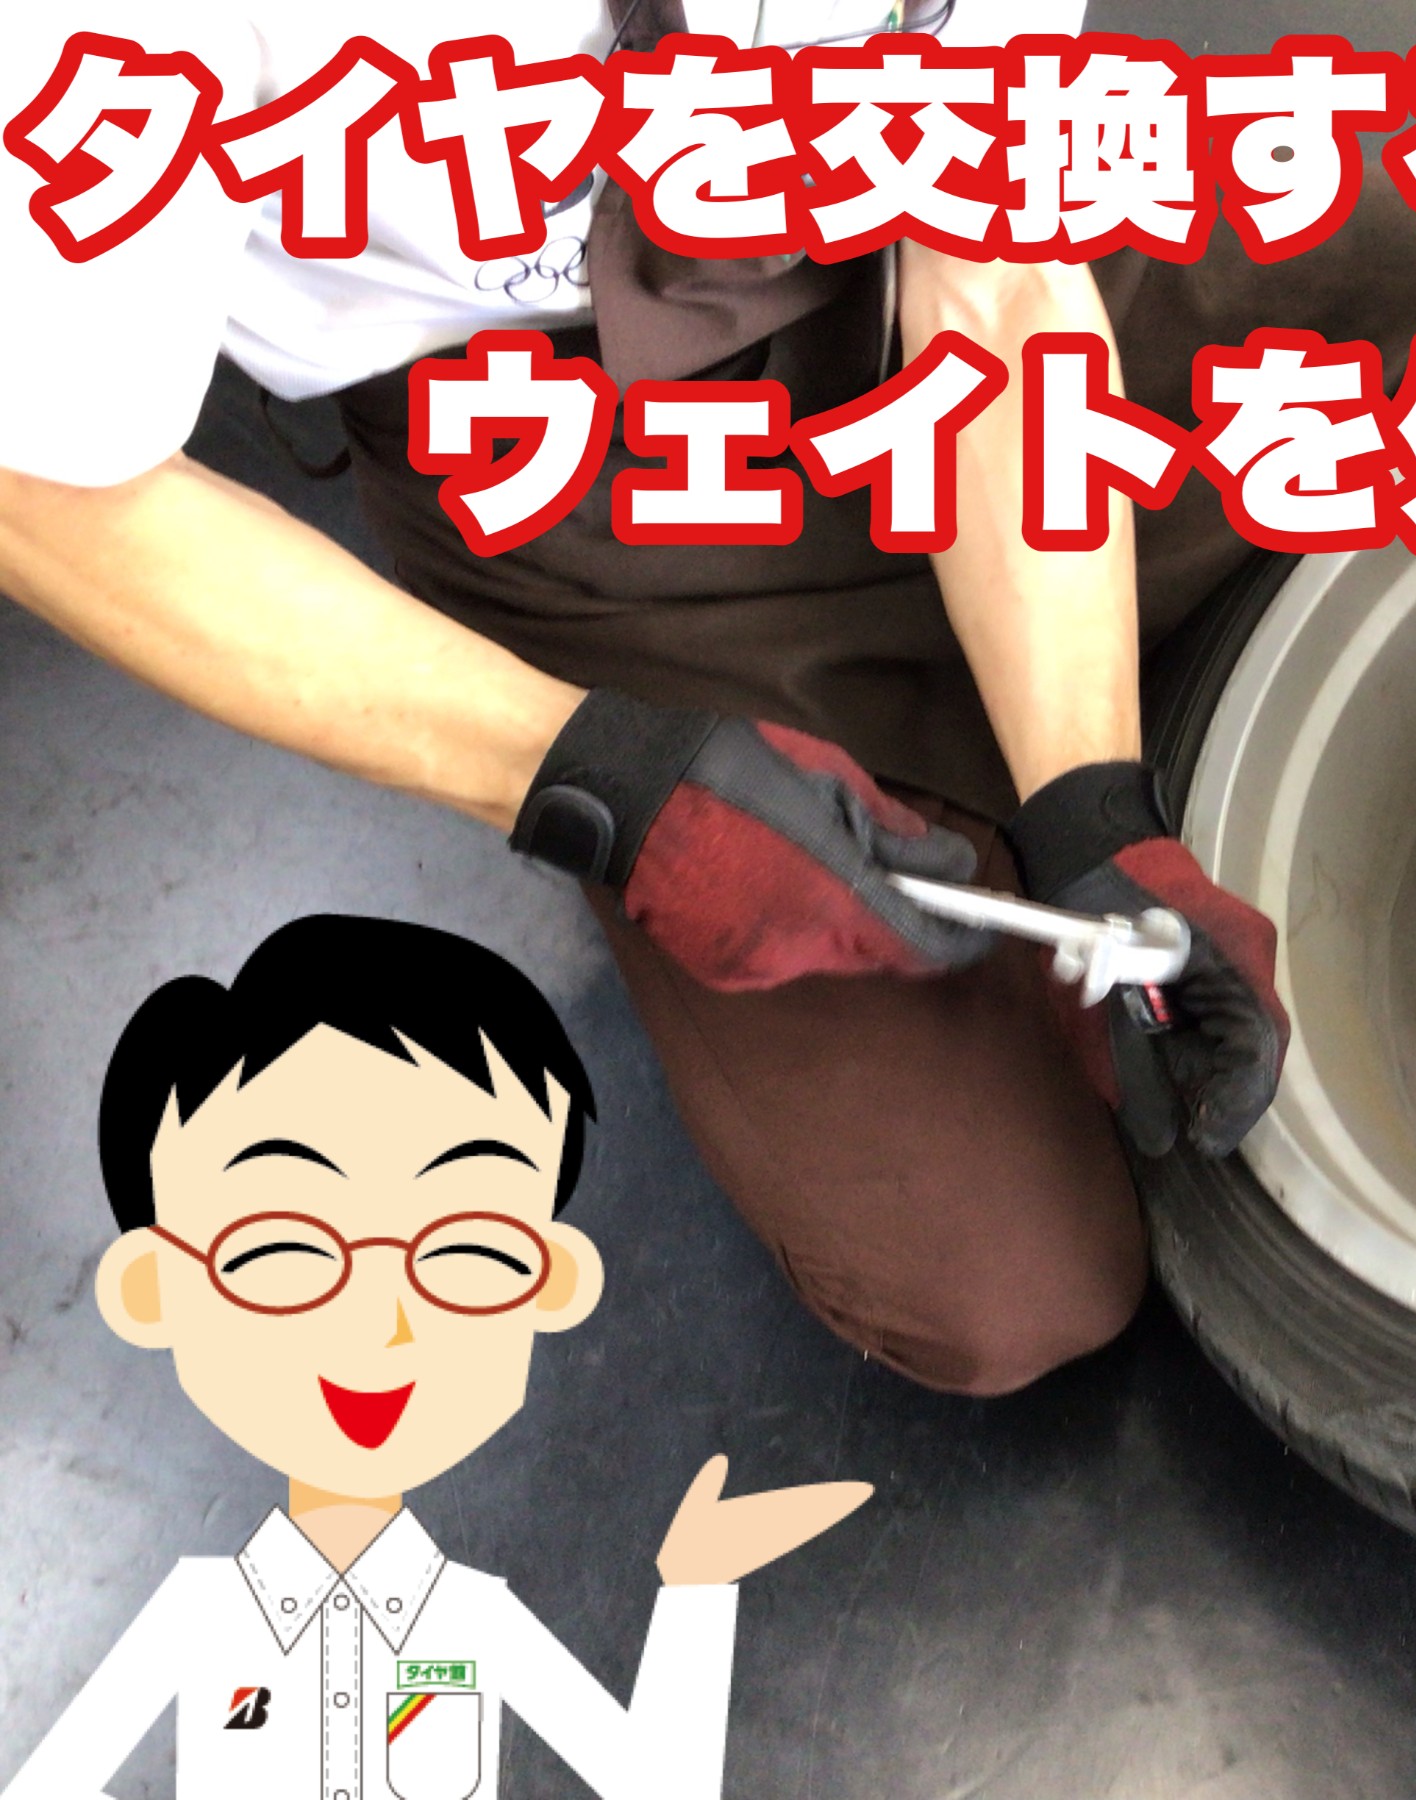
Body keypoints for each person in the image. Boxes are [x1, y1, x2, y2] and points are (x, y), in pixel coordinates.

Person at [0, 0, 1291, 1397]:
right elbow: (41, 481)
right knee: (1016, 1284)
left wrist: (1090, 798)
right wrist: (594, 774)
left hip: (872, 226)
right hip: (533, 434)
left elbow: (988, 246)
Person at [0, 914, 871, 1800]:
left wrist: (697, 1588)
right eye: (283, 1251)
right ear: (154, 1287)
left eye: (467, 1252)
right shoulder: (201, 1621)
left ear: (551, 1279)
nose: (382, 1325)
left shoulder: (471, 1622)